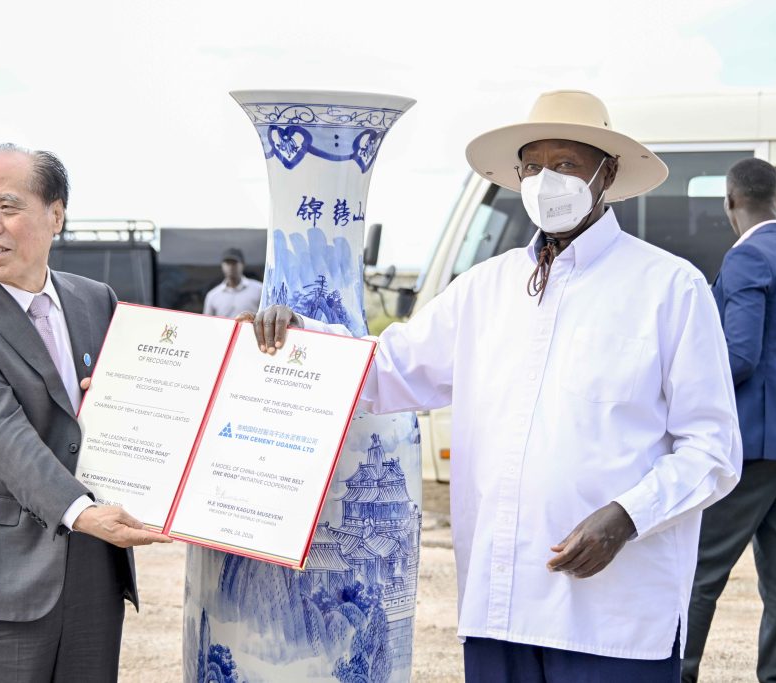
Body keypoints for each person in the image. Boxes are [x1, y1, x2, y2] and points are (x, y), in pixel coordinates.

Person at [248, 91, 742, 681]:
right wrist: (301, 340)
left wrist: (626, 517)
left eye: (565, 165)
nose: (545, 181)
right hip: (499, 604)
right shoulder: (484, 288)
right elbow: (389, 368)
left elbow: (712, 450)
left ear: (607, 172)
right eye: (532, 167)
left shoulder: (670, 289)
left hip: (614, 614)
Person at [0, 144, 170, 682]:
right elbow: (1, 436)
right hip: (0, 577)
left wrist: (252, 346)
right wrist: (81, 512)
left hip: (93, 571)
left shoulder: (95, 299)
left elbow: (156, 390)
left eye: (7, 207)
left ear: (56, 214)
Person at [683, 158, 776, 683]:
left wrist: (681, 394)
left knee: (702, 569)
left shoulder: (747, 259)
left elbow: (740, 356)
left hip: (754, 445)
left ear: (730, 201)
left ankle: (677, 673)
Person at [202, 247, 262, 317]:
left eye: (234, 263)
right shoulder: (212, 295)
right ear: (222, 265)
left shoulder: (259, 289)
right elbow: (209, 322)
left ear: (243, 264)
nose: (231, 266)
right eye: (227, 263)